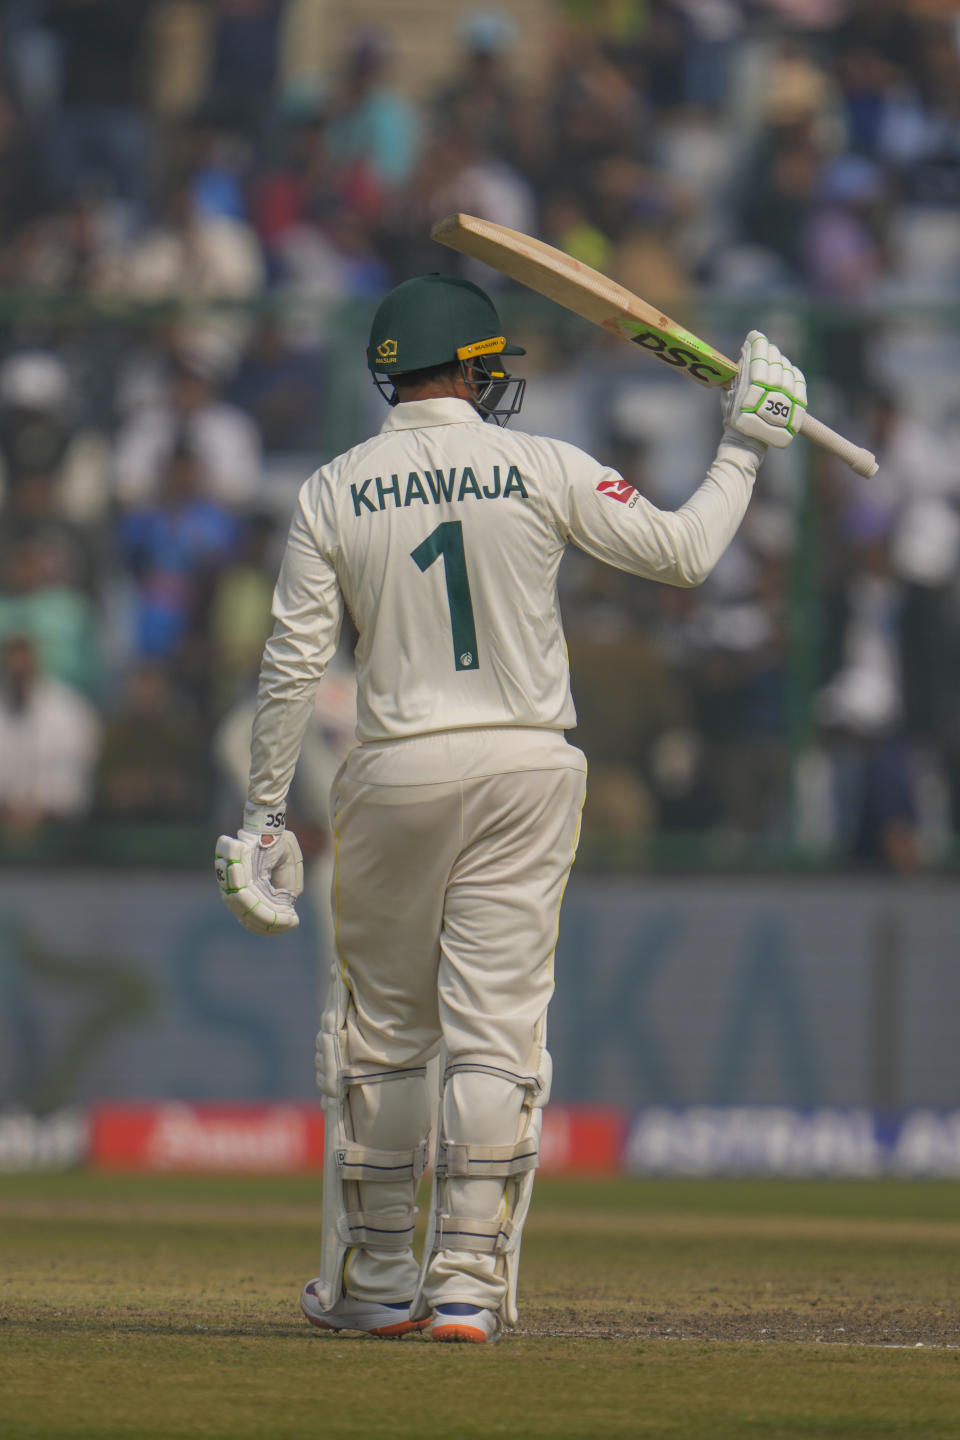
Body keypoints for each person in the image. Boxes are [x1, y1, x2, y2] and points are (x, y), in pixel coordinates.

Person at [215, 273, 807, 1343]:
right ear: (477, 367)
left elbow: (295, 662)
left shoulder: (330, 489)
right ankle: (468, 1289)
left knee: (386, 1034)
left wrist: (263, 815)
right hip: (527, 763)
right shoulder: (539, 463)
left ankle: (380, 1281)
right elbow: (682, 552)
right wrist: (746, 449)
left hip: (393, 766)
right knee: (498, 1029)